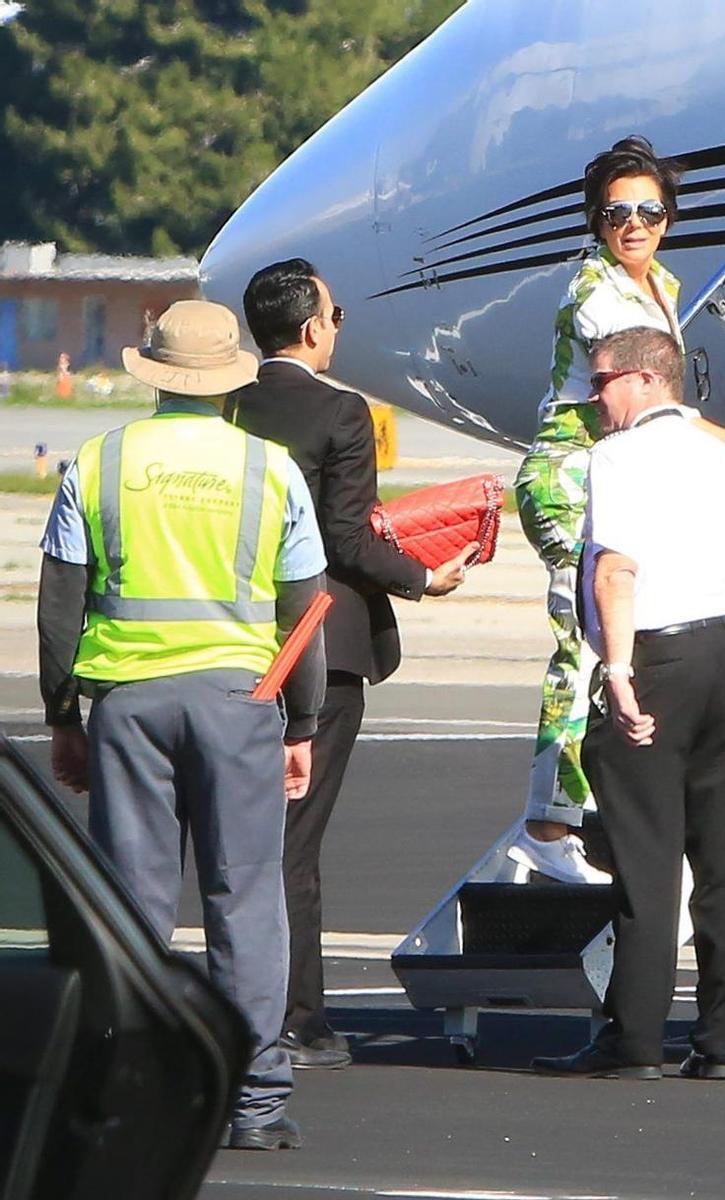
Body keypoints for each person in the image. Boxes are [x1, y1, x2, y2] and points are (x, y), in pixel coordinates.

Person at [37, 299, 327, 1148]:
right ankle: (256, 1102)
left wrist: (64, 714)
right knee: (245, 900)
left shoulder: (97, 462)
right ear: (229, 379)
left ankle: (136, 1091)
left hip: (128, 703)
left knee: (130, 909)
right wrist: (300, 722)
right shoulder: (271, 470)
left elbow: (59, 606)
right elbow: (305, 610)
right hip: (239, 705)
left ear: (155, 375)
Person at [511, 136, 725, 885]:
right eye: (616, 214)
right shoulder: (602, 293)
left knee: (624, 632)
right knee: (587, 637)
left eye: (649, 210)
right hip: (572, 472)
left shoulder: (656, 283)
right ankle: (548, 822)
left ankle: (588, 799)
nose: (633, 224)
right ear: (596, 221)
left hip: (618, 471)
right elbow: (644, 395)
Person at [227, 258, 475, 1070]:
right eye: (336, 318)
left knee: (238, 837)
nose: (338, 331)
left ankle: (236, 1003)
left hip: (237, 638)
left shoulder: (228, 407)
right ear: (310, 329)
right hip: (322, 651)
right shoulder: (342, 412)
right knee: (298, 842)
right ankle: (300, 1017)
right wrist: (422, 576)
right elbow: (345, 538)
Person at [532, 327, 725, 1080]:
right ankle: (719, 1043)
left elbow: (615, 572)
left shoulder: (616, 458)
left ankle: (636, 1039)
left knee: (645, 859)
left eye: (604, 380)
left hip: (658, 656)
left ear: (647, 380)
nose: (595, 396)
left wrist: (616, 671)